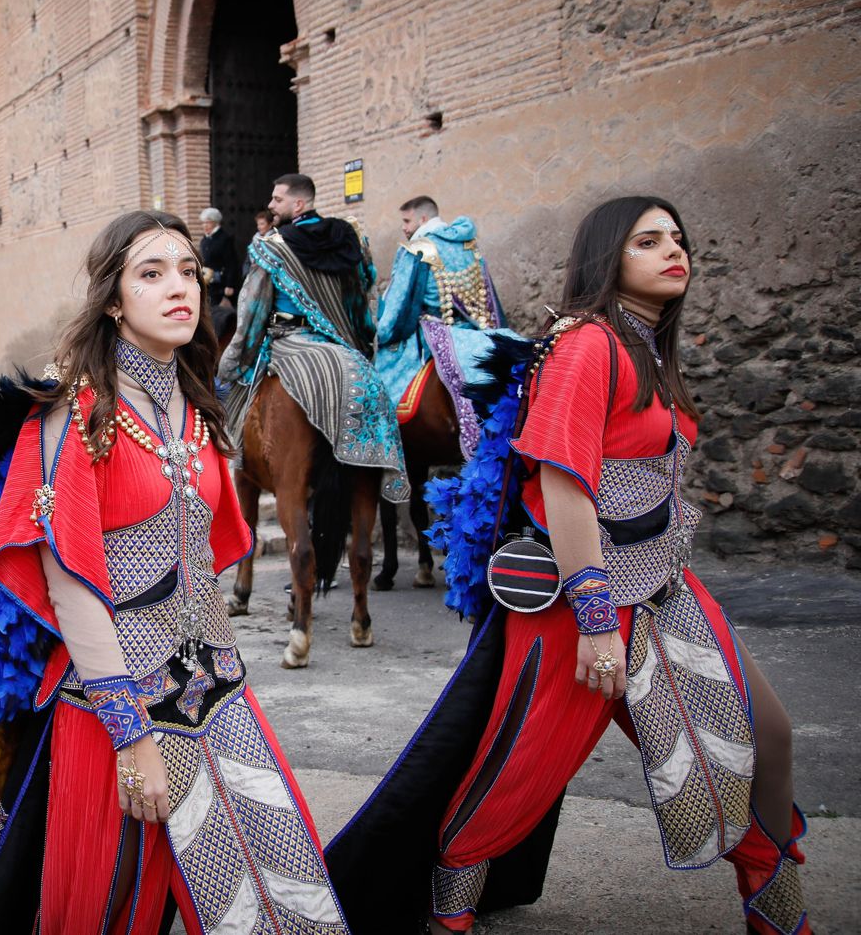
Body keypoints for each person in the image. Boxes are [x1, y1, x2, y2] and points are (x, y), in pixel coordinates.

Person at [327, 197, 811, 935]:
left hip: (665, 581)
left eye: (678, 238)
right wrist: (594, 622)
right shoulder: (586, 345)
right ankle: (447, 914)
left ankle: (777, 912)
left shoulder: (647, 347)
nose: (672, 250)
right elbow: (565, 487)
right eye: (648, 241)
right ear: (607, 257)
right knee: (520, 772)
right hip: (585, 601)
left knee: (764, 732)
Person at [0, 209, 349, 933]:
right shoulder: (72, 416)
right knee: (112, 909)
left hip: (220, 689)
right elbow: (72, 583)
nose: (180, 288)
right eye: (152, 274)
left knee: (281, 896)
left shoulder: (198, 406)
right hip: (114, 707)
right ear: (113, 300)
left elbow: (204, 558)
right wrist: (129, 732)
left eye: (189, 272)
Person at [221, 172, 408, 500]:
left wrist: (232, 364)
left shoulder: (270, 248)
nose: (270, 204)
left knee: (232, 408)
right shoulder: (350, 239)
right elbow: (362, 301)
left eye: (277, 199)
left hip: (288, 342)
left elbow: (251, 315)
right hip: (344, 348)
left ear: (299, 203)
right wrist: (363, 348)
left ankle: (229, 464)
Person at [375, 195, 517, 458]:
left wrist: (379, 333)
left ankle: (384, 453)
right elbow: (488, 298)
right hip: (477, 333)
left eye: (407, 221)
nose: (404, 228)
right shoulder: (469, 245)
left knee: (378, 396)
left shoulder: (418, 249)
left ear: (423, 219)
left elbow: (399, 305)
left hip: (433, 335)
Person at [197, 206, 241, 308]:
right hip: (209, 284)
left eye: (207, 222)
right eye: (203, 223)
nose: (204, 225)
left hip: (222, 284)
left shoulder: (224, 239)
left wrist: (230, 285)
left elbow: (232, 263)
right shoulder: (205, 240)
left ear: (215, 222)